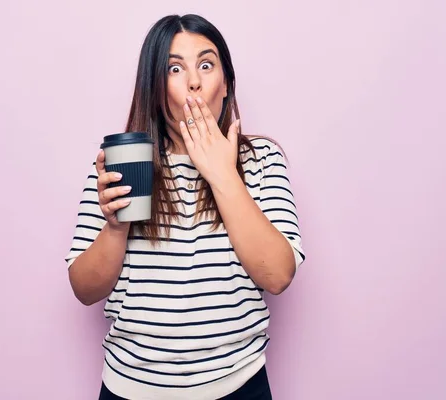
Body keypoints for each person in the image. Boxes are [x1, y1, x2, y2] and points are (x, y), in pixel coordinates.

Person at [65, 14, 305, 400]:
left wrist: (222, 174)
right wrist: (113, 227)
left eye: (206, 65)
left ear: (225, 84)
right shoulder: (121, 161)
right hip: (130, 389)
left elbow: (278, 276)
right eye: (175, 68)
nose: (193, 81)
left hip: (239, 385)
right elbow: (85, 290)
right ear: (155, 89)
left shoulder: (262, 160)